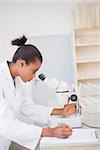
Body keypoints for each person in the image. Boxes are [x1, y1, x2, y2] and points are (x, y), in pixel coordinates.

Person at [0, 35, 76, 150]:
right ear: (21, 64)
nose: (34, 76)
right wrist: (50, 132)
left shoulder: (16, 80)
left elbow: (27, 107)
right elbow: (7, 125)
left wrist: (61, 111)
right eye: (33, 71)